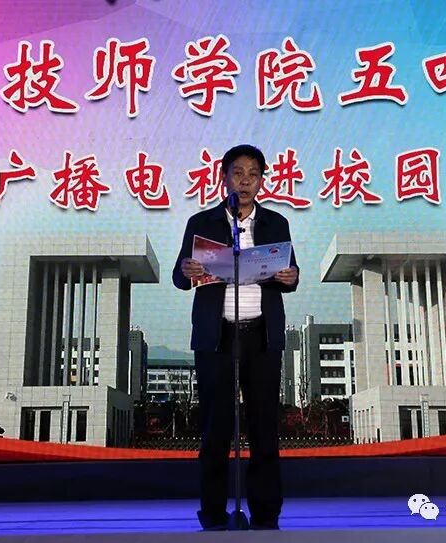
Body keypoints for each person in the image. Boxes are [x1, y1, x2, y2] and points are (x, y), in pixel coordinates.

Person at [172, 144, 299, 531]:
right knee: (215, 430)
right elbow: (179, 277)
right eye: (238, 173)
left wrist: (291, 276)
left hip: (262, 335)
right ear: (224, 176)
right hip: (217, 337)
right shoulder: (203, 222)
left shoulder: (276, 222)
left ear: (262, 181)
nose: (245, 181)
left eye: (253, 174)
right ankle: (212, 514)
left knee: (264, 429)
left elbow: (291, 274)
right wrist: (187, 269)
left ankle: (265, 514)